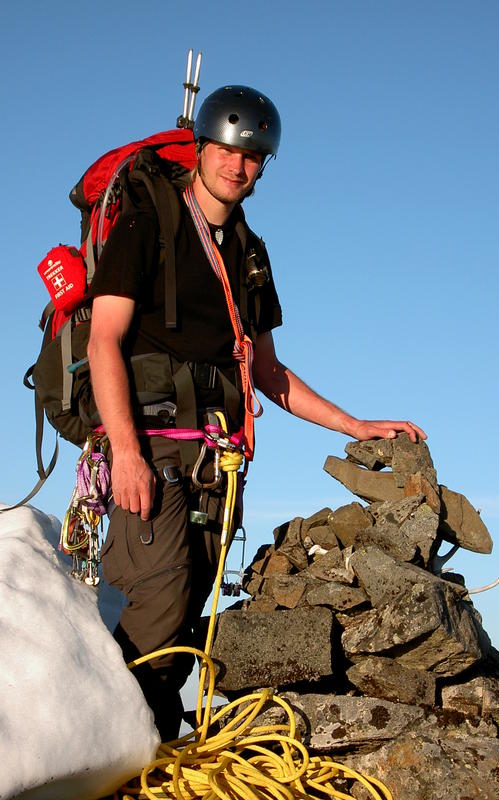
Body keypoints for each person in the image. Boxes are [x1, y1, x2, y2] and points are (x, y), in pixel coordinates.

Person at [87, 85, 426, 739]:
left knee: (188, 619)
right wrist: (126, 453)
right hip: (152, 447)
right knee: (152, 613)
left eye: (252, 157)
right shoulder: (149, 217)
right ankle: (106, 760)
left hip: (218, 464)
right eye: (225, 151)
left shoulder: (248, 251)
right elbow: (104, 339)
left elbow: (266, 372)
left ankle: (148, 755)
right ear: (202, 148)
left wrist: (356, 426)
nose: (237, 167)